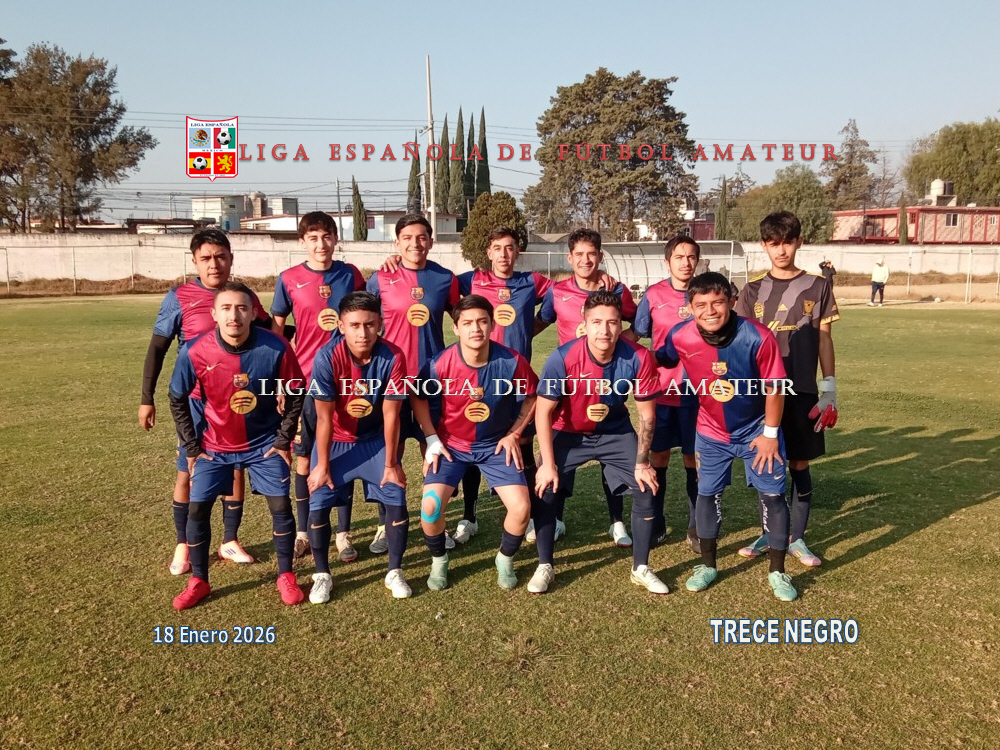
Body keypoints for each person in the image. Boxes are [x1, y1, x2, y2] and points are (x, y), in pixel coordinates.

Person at [657, 272, 798, 602]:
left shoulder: (758, 336)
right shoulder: (680, 335)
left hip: (758, 431)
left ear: (731, 302)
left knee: (773, 496)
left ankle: (778, 571)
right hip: (711, 433)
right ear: (690, 307)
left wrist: (770, 434)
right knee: (707, 495)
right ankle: (708, 566)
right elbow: (658, 358)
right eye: (701, 304)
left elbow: (776, 387)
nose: (710, 311)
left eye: (717, 302)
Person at [139, 228, 270, 576]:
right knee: (189, 469)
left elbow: (271, 336)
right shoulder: (179, 296)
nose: (214, 264)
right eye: (206, 258)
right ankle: (183, 543)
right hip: (197, 403)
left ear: (231, 259)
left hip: (238, 401)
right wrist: (146, 398)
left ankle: (229, 540)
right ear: (195, 261)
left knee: (236, 467)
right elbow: (157, 348)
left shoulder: (245, 297)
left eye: (221, 257)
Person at [168, 282, 305, 610]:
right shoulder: (194, 350)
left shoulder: (275, 346)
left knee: (280, 507)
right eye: (226, 308)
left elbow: (297, 391)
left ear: (253, 313)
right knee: (198, 509)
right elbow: (177, 398)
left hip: (264, 445)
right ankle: (199, 580)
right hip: (214, 446)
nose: (234, 316)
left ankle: (286, 575)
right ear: (214, 314)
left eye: (242, 308)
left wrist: (283, 439)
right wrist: (192, 446)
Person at [533, 290, 668, 595]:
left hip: (615, 432)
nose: (604, 330)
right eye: (596, 322)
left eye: (612, 322)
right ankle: (545, 564)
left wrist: (642, 462)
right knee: (545, 487)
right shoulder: (562, 357)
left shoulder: (638, 356)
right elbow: (543, 412)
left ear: (621, 325)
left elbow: (647, 416)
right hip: (568, 431)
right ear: (584, 323)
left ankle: (641, 568)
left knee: (646, 486)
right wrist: (547, 464)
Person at [410, 295, 538, 591]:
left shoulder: (512, 361)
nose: (475, 328)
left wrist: (514, 433)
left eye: (482, 321)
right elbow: (417, 396)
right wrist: (431, 438)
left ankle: (505, 559)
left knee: (521, 508)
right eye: (467, 323)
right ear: (456, 328)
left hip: (495, 446)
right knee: (430, 508)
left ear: (493, 324)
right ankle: (439, 560)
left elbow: (533, 395)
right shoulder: (440, 364)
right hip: (452, 446)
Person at [734, 211, 840, 568]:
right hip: (761, 392)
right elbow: (742, 343)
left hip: (802, 389)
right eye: (773, 243)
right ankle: (770, 532)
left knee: (799, 462)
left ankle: (797, 537)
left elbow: (824, 338)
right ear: (764, 245)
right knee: (767, 461)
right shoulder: (751, 290)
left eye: (788, 242)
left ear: (799, 242)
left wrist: (829, 386)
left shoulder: (818, 286)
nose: (781, 250)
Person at [270, 212, 366, 565]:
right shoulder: (288, 279)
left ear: (335, 239)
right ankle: (302, 533)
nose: (320, 244)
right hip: (305, 380)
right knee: (304, 456)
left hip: (346, 378)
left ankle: (343, 533)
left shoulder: (351, 274)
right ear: (303, 241)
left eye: (326, 236)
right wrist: (280, 379)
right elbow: (277, 331)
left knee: (343, 450)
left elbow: (366, 315)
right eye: (313, 237)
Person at [449, 227, 554, 545]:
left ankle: (532, 516)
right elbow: (437, 287)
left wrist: (532, 326)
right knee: (473, 443)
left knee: (522, 444)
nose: (504, 254)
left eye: (509, 247)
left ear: (518, 251)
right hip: (479, 380)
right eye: (497, 248)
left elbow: (562, 293)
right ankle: (469, 517)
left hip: (517, 381)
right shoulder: (472, 280)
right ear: (488, 252)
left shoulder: (531, 281)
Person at [535, 228, 640, 548]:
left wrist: (623, 343)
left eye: (591, 253)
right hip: (568, 386)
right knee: (561, 452)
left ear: (600, 256)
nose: (585, 260)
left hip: (606, 380)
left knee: (612, 450)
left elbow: (639, 322)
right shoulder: (558, 291)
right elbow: (541, 321)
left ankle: (617, 522)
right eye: (579, 254)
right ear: (569, 258)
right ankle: (555, 520)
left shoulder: (616, 289)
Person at [306, 292, 412, 600]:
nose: (362, 332)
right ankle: (322, 575)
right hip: (337, 441)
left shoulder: (393, 356)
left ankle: (394, 571)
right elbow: (323, 418)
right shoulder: (326, 357)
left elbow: (392, 414)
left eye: (369, 324)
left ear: (380, 323)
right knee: (318, 502)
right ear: (341, 326)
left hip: (374, 441)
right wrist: (322, 465)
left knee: (396, 495)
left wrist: (391, 464)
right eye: (354, 325)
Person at [366, 214, 460, 554]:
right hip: (389, 380)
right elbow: (363, 320)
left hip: (432, 382)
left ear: (431, 242)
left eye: (421, 237)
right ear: (397, 242)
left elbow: (463, 319)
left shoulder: (445, 278)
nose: (414, 243)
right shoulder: (380, 277)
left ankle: (437, 522)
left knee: (433, 452)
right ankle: (384, 524)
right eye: (407, 237)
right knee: (388, 454)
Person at [633, 236, 700, 552]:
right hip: (660, 392)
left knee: (694, 458)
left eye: (691, 256)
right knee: (657, 456)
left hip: (698, 393)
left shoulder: (705, 293)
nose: (686, 262)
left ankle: (696, 525)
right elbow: (637, 334)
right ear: (668, 261)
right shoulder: (653, 295)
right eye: (679, 257)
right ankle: (656, 522)